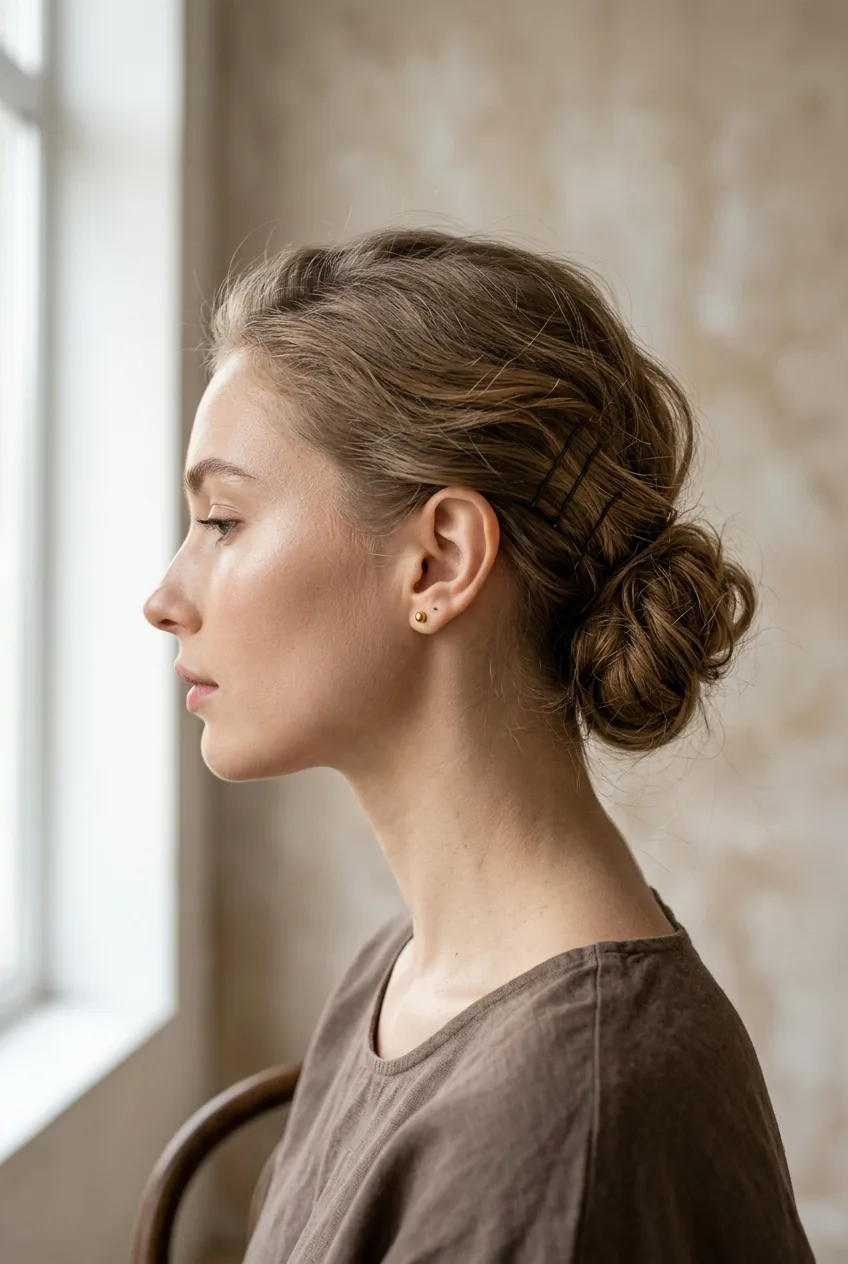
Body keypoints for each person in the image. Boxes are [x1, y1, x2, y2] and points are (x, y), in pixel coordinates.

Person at [143, 227, 815, 1262]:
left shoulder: (559, 1122)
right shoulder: (404, 969)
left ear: (438, 561)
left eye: (223, 520)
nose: (163, 598)